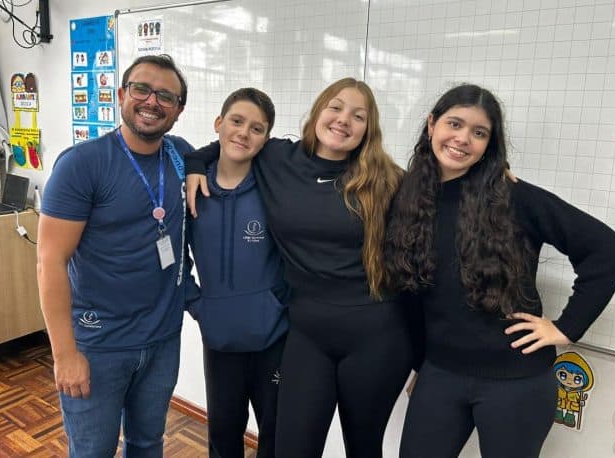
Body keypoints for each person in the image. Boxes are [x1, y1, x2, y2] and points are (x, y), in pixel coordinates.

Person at [385, 84, 615, 458]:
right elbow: (414, 296)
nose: (463, 139)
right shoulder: (408, 197)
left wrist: (567, 328)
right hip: (439, 375)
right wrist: (420, 364)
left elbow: (609, 251)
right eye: (455, 123)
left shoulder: (512, 195)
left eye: (479, 132)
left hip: (516, 383)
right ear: (432, 124)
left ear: (489, 144)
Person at [187, 78, 414, 458]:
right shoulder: (279, 158)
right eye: (335, 107)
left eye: (358, 116)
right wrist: (196, 162)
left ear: (368, 129)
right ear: (318, 111)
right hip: (307, 335)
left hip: (376, 335)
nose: (343, 120)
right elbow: (233, 140)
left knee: (364, 449)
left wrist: (491, 173)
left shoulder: (387, 179)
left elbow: (427, 242)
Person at [37, 54, 193, 457]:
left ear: (178, 110)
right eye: (142, 89)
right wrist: (64, 355)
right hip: (98, 344)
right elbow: (50, 262)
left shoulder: (182, 156)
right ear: (121, 94)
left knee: (147, 444)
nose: (152, 101)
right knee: (93, 451)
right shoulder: (82, 164)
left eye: (166, 96)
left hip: (162, 340)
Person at [186, 87, 288, 458]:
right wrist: (198, 304)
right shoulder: (191, 188)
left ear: (266, 139)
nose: (244, 133)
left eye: (256, 128)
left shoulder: (276, 186)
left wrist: (280, 304)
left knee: (276, 435)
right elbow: (173, 255)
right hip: (219, 339)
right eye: (236, 121)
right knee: (224, 435)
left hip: (274, 338)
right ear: (219, 123)